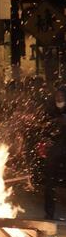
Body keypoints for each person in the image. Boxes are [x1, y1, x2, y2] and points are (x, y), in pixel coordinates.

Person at [44, 85, 66, 220]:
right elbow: (45, 125)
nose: (59, 98)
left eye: (62, 96)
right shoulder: (51, 109)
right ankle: (49, 213)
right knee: (50, 181)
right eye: (57, 96)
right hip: (55, 150)